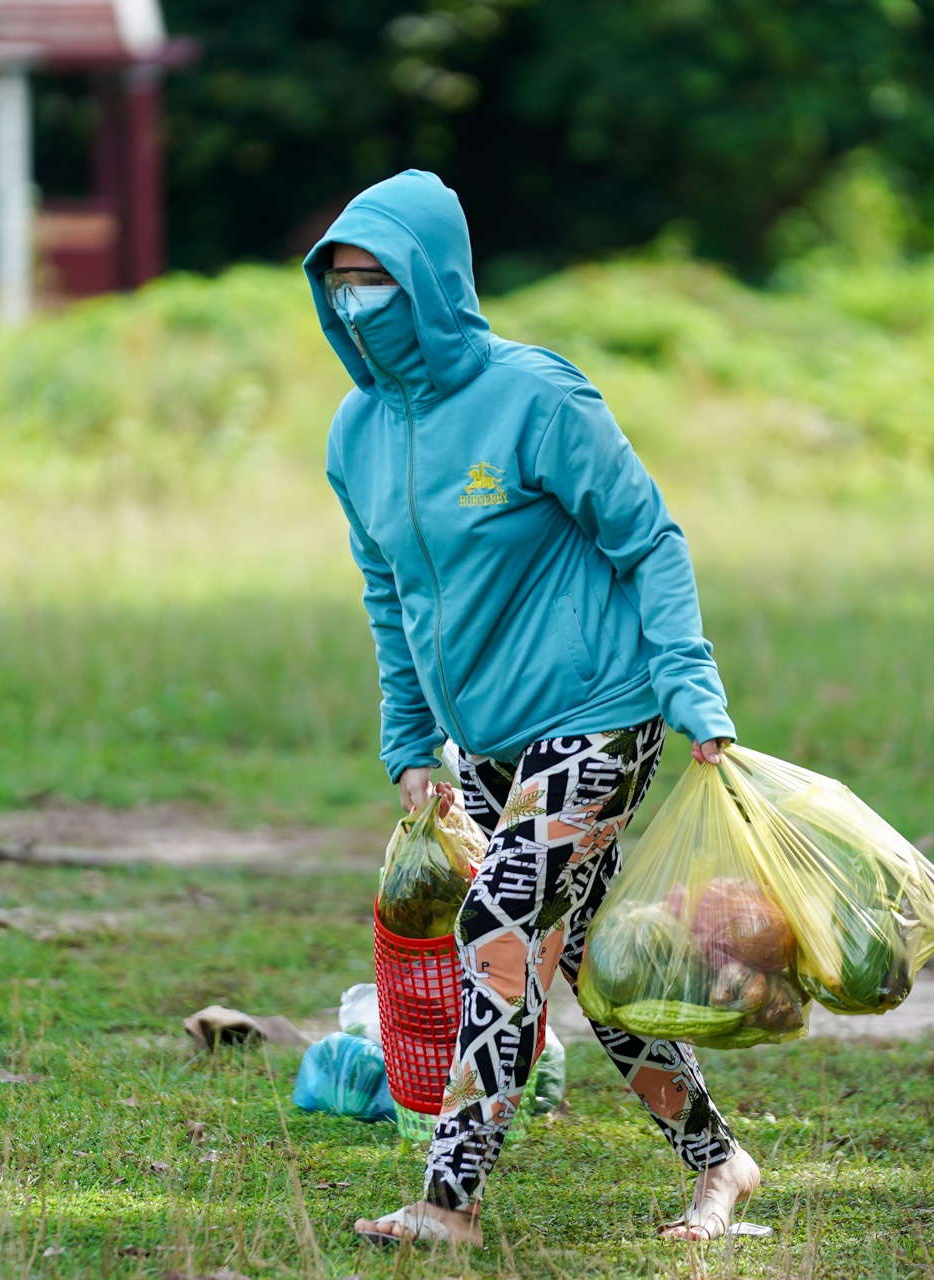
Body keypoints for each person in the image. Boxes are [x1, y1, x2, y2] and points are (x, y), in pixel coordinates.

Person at [305, 170, 760, 1245]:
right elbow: (390, 592)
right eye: (341, 284)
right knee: (590, 971)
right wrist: (411, 735)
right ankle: (721, 1163)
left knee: (499, 925)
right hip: (490, 743)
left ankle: (447, 1202)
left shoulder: (535, 397)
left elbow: (650, 537)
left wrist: (693, 689)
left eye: (379, 280)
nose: (358, 303)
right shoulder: (356, 434)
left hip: (600, 711)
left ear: (434, 281)